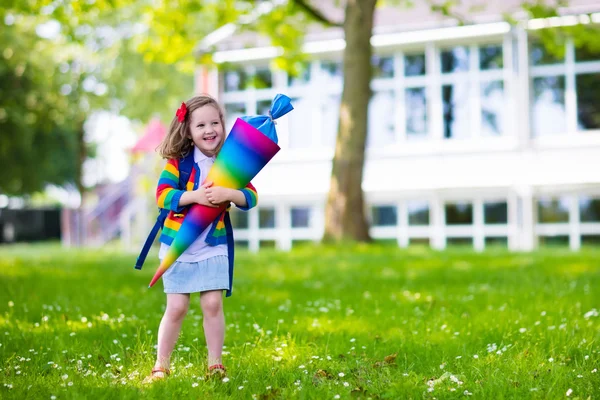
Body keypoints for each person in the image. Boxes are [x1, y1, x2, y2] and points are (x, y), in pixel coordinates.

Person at [143, 95, 258, 383]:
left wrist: (229, 194)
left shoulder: (231, 164)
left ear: (223, 125)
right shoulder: (178, 164)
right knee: (177, 307)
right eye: (201, 125)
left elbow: (251, 196)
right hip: (178, 247)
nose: (210, 130)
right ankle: (161, 365)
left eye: (215, 122)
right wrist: (193, 196)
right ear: (189, 131)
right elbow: (163, 195)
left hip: (213, 245)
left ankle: (215, 365)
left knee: (212, 305)